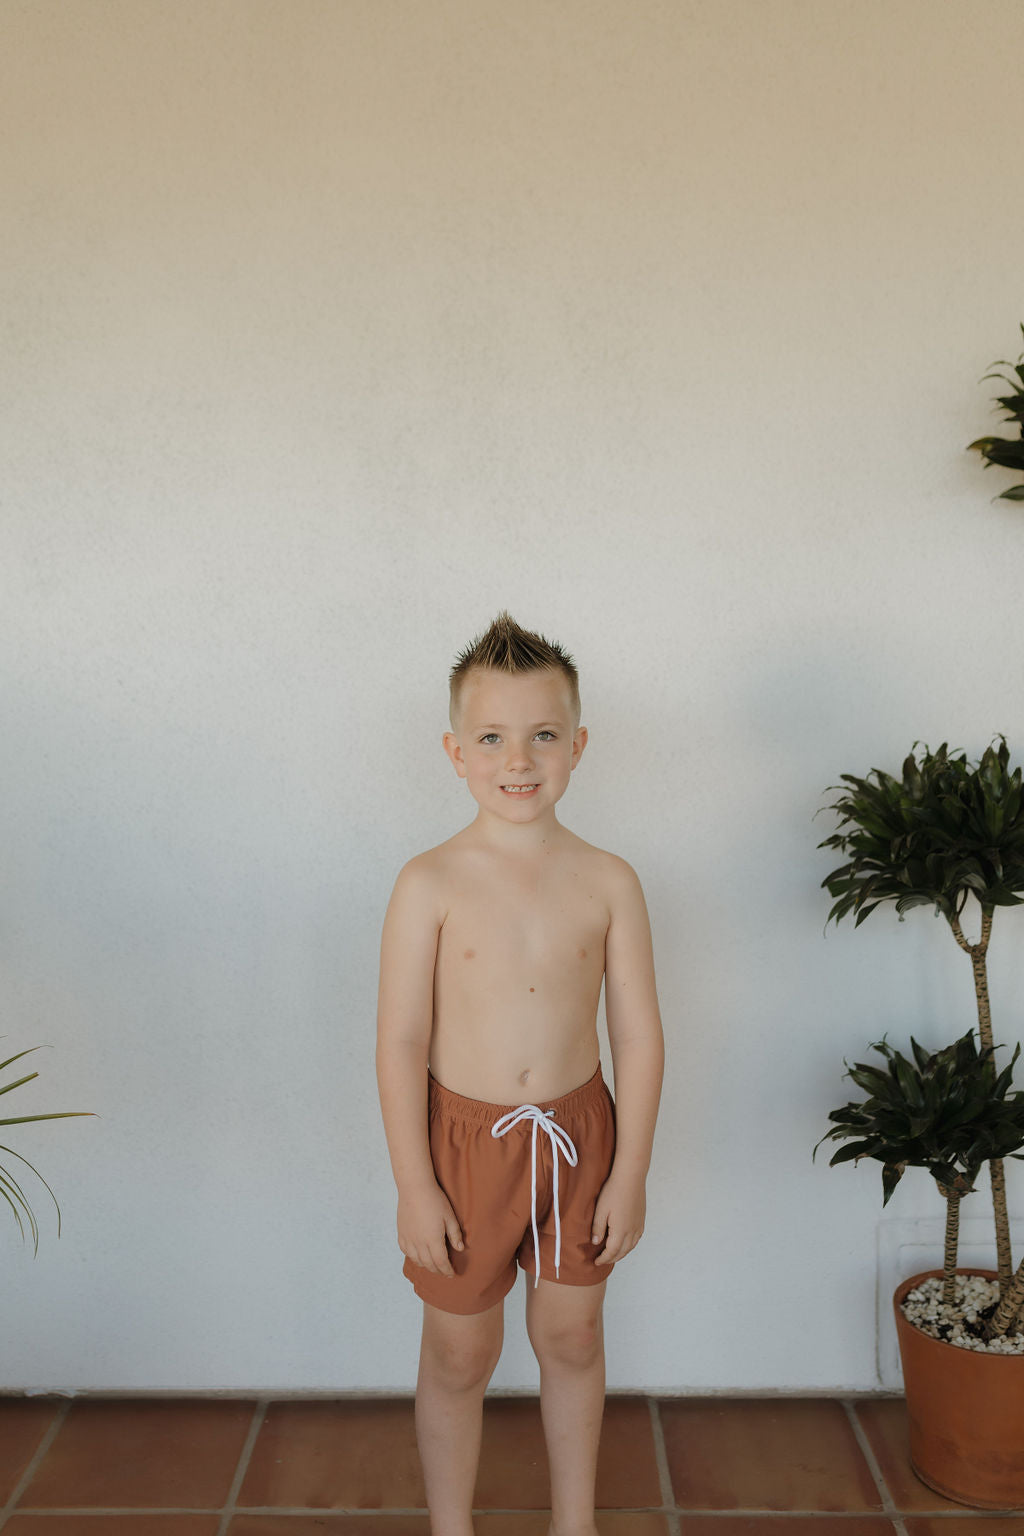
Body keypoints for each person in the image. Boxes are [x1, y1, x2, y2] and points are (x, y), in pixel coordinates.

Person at [376, 611, 664, 1536]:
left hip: (581, 1137)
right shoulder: (428, 882)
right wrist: (414, 1186)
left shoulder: (610, 879)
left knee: (571, 1336)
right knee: (462, 1353)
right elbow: (398, 1044)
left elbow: (641, 1038)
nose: (519, 758)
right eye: (493, 737)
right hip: (462, 1145)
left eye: (543, 734)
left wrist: (631, 1173)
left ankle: (572, 1524)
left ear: (577, 745)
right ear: (455, 751)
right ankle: (450, 1526)